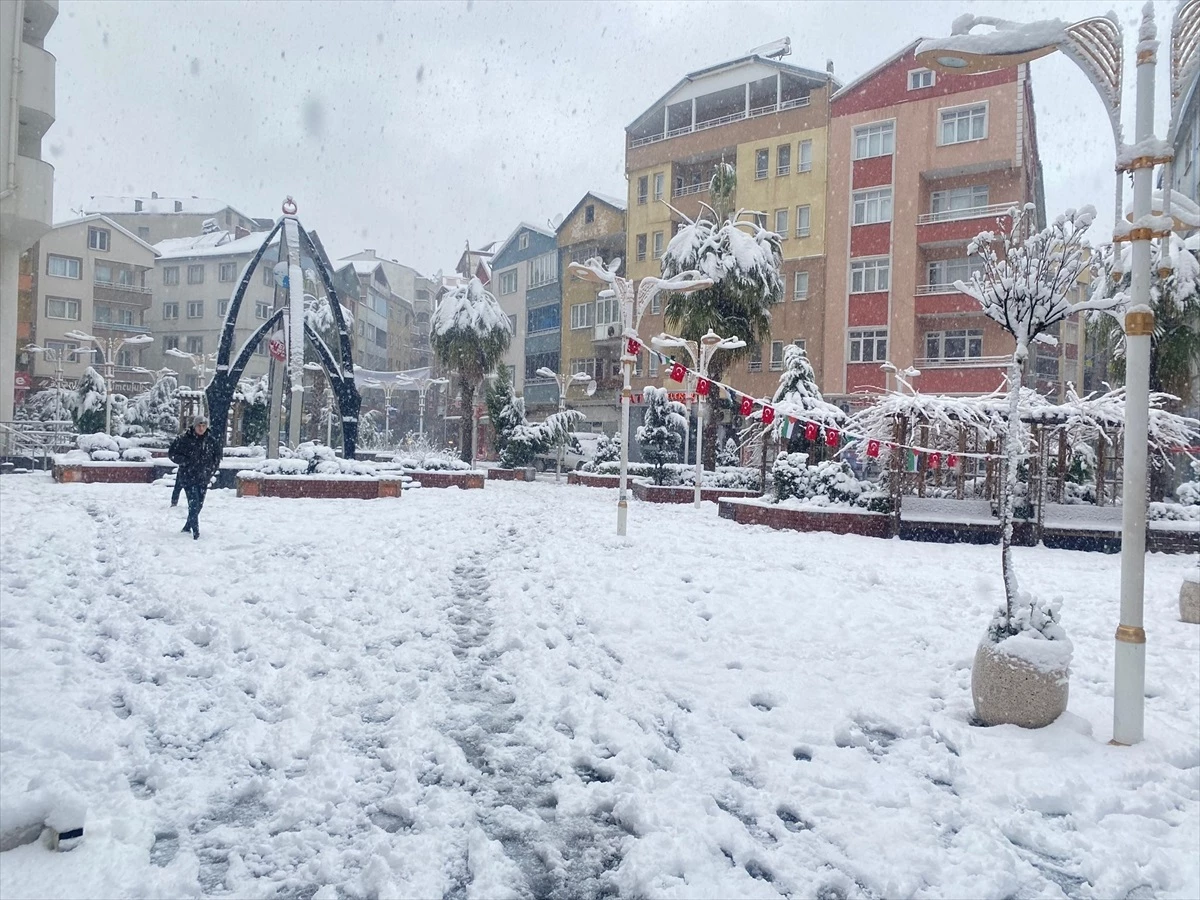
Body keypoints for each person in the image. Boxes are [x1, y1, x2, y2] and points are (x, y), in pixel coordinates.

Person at [168, 415, 221, 539]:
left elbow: (216, 458)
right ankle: (196, 532)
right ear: (194, 426)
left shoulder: (211, 441)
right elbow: (172, 453)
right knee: (193, 502)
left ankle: (187, 526)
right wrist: (185, 461)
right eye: (199, 426)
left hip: (203, 477)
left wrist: (210, 470)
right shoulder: (183, 439)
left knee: (199, 504)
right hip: (188, 476)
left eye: (204, 426)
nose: (201, 428)